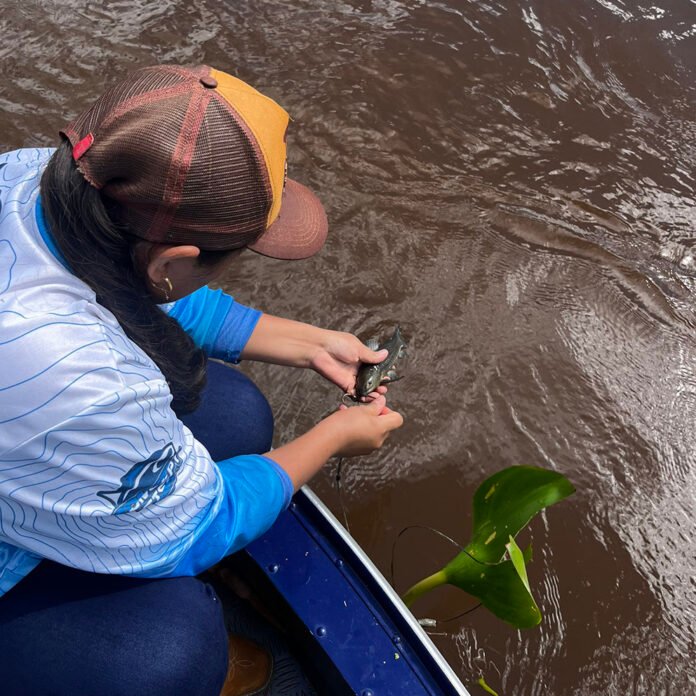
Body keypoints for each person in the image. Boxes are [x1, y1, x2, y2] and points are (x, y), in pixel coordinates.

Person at [0, 64, 403, 695]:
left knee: (236, 414)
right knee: (174, 648)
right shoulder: (85, 386)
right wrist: (334, 437)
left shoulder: (33, 177)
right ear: (173, 261)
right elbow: (200, 528)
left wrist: (310, 344)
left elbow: (134, 287)